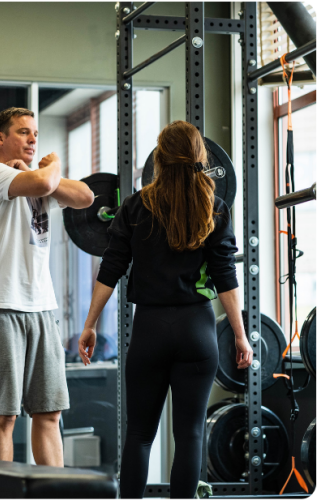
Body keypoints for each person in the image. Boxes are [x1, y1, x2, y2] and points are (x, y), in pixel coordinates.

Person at [78, 120, 253, 500]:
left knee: (140, 435)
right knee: (190, 435)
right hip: (197, 330)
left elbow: (111, 268)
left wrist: (90, 324)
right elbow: (226, 278)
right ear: (200, 158)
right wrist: (240, 335)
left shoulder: (136, 206)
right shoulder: (215, 208)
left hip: (150, 330)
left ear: (159, 158)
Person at [0, 107, 94, 465]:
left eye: (35, 134)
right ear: (0, 138)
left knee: (50, 413)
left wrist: (45, 173)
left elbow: (86, 197)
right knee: (4, 415)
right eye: (23, 132)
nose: (33, 139)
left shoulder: (41, 179)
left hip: (41, 308)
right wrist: (51, 165)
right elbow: (42, 184)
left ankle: (53, 493)